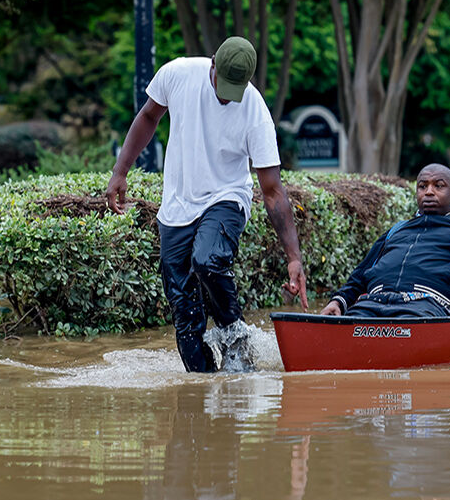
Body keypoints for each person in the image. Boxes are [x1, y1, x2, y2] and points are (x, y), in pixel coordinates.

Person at [105, 36, 308, 373]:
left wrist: (294, 258)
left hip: (226, 198)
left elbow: (272, 190)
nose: (227, 96)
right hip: (176, 207)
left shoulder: (255, 111)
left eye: (235, 89)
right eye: (222, 84)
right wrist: (120, 171)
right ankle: (203, 396)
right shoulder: (178, 74)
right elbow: (148, 116)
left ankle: (236, 342)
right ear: (212, 64)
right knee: (184, 318)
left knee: (208, 260)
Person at [320, 163, 450, 328]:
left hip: (428, 308)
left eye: (438, 186)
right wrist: (337, 302)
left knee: (401, 329)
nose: (429, 192)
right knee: (345, 325)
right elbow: (357, 279)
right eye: (422, 186)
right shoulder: (396, 230)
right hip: (371, 304)